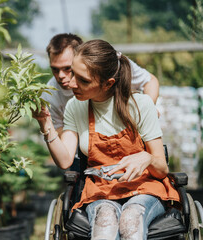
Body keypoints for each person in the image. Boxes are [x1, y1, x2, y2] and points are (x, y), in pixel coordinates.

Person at [33, 39, 179, 240]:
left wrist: (147, 158)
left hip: (144, 189)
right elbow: (65, 160)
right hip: (100, 190)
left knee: (131, 221)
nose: (72, 83)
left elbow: (162, 168)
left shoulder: (141, 105)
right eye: (73, 73)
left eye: (83, 80)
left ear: (107, 83)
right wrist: (45, 123)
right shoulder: (75, 107)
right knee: (105, 223)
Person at [42, 33, 159, 137]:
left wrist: (148, 111)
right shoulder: (51, 94)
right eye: (55, 69)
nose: (61, 75)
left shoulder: (114, 67)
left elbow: (150, 81)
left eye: (68, 69)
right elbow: (59, 133)